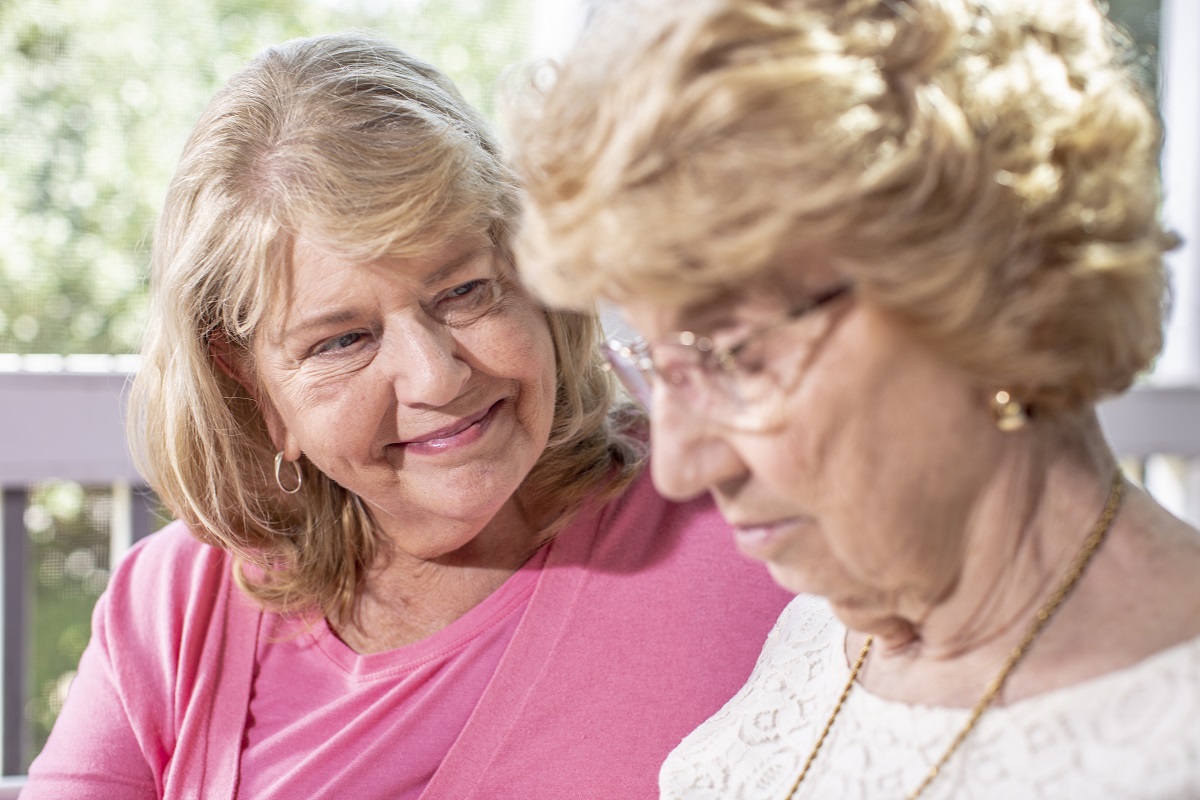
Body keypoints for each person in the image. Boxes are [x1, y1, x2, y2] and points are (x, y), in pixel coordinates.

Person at [22, 32, 791, 800]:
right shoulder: (174, 608)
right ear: (254, 390)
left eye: (463, 291)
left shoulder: (745, 510)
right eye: (345, 340)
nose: (436, 375)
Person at [509, 0, 1200, 796]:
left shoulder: (1167, 730)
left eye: (737, 353)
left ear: (994, 294)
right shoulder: (823, 628)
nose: (679, 467)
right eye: (657, 363)